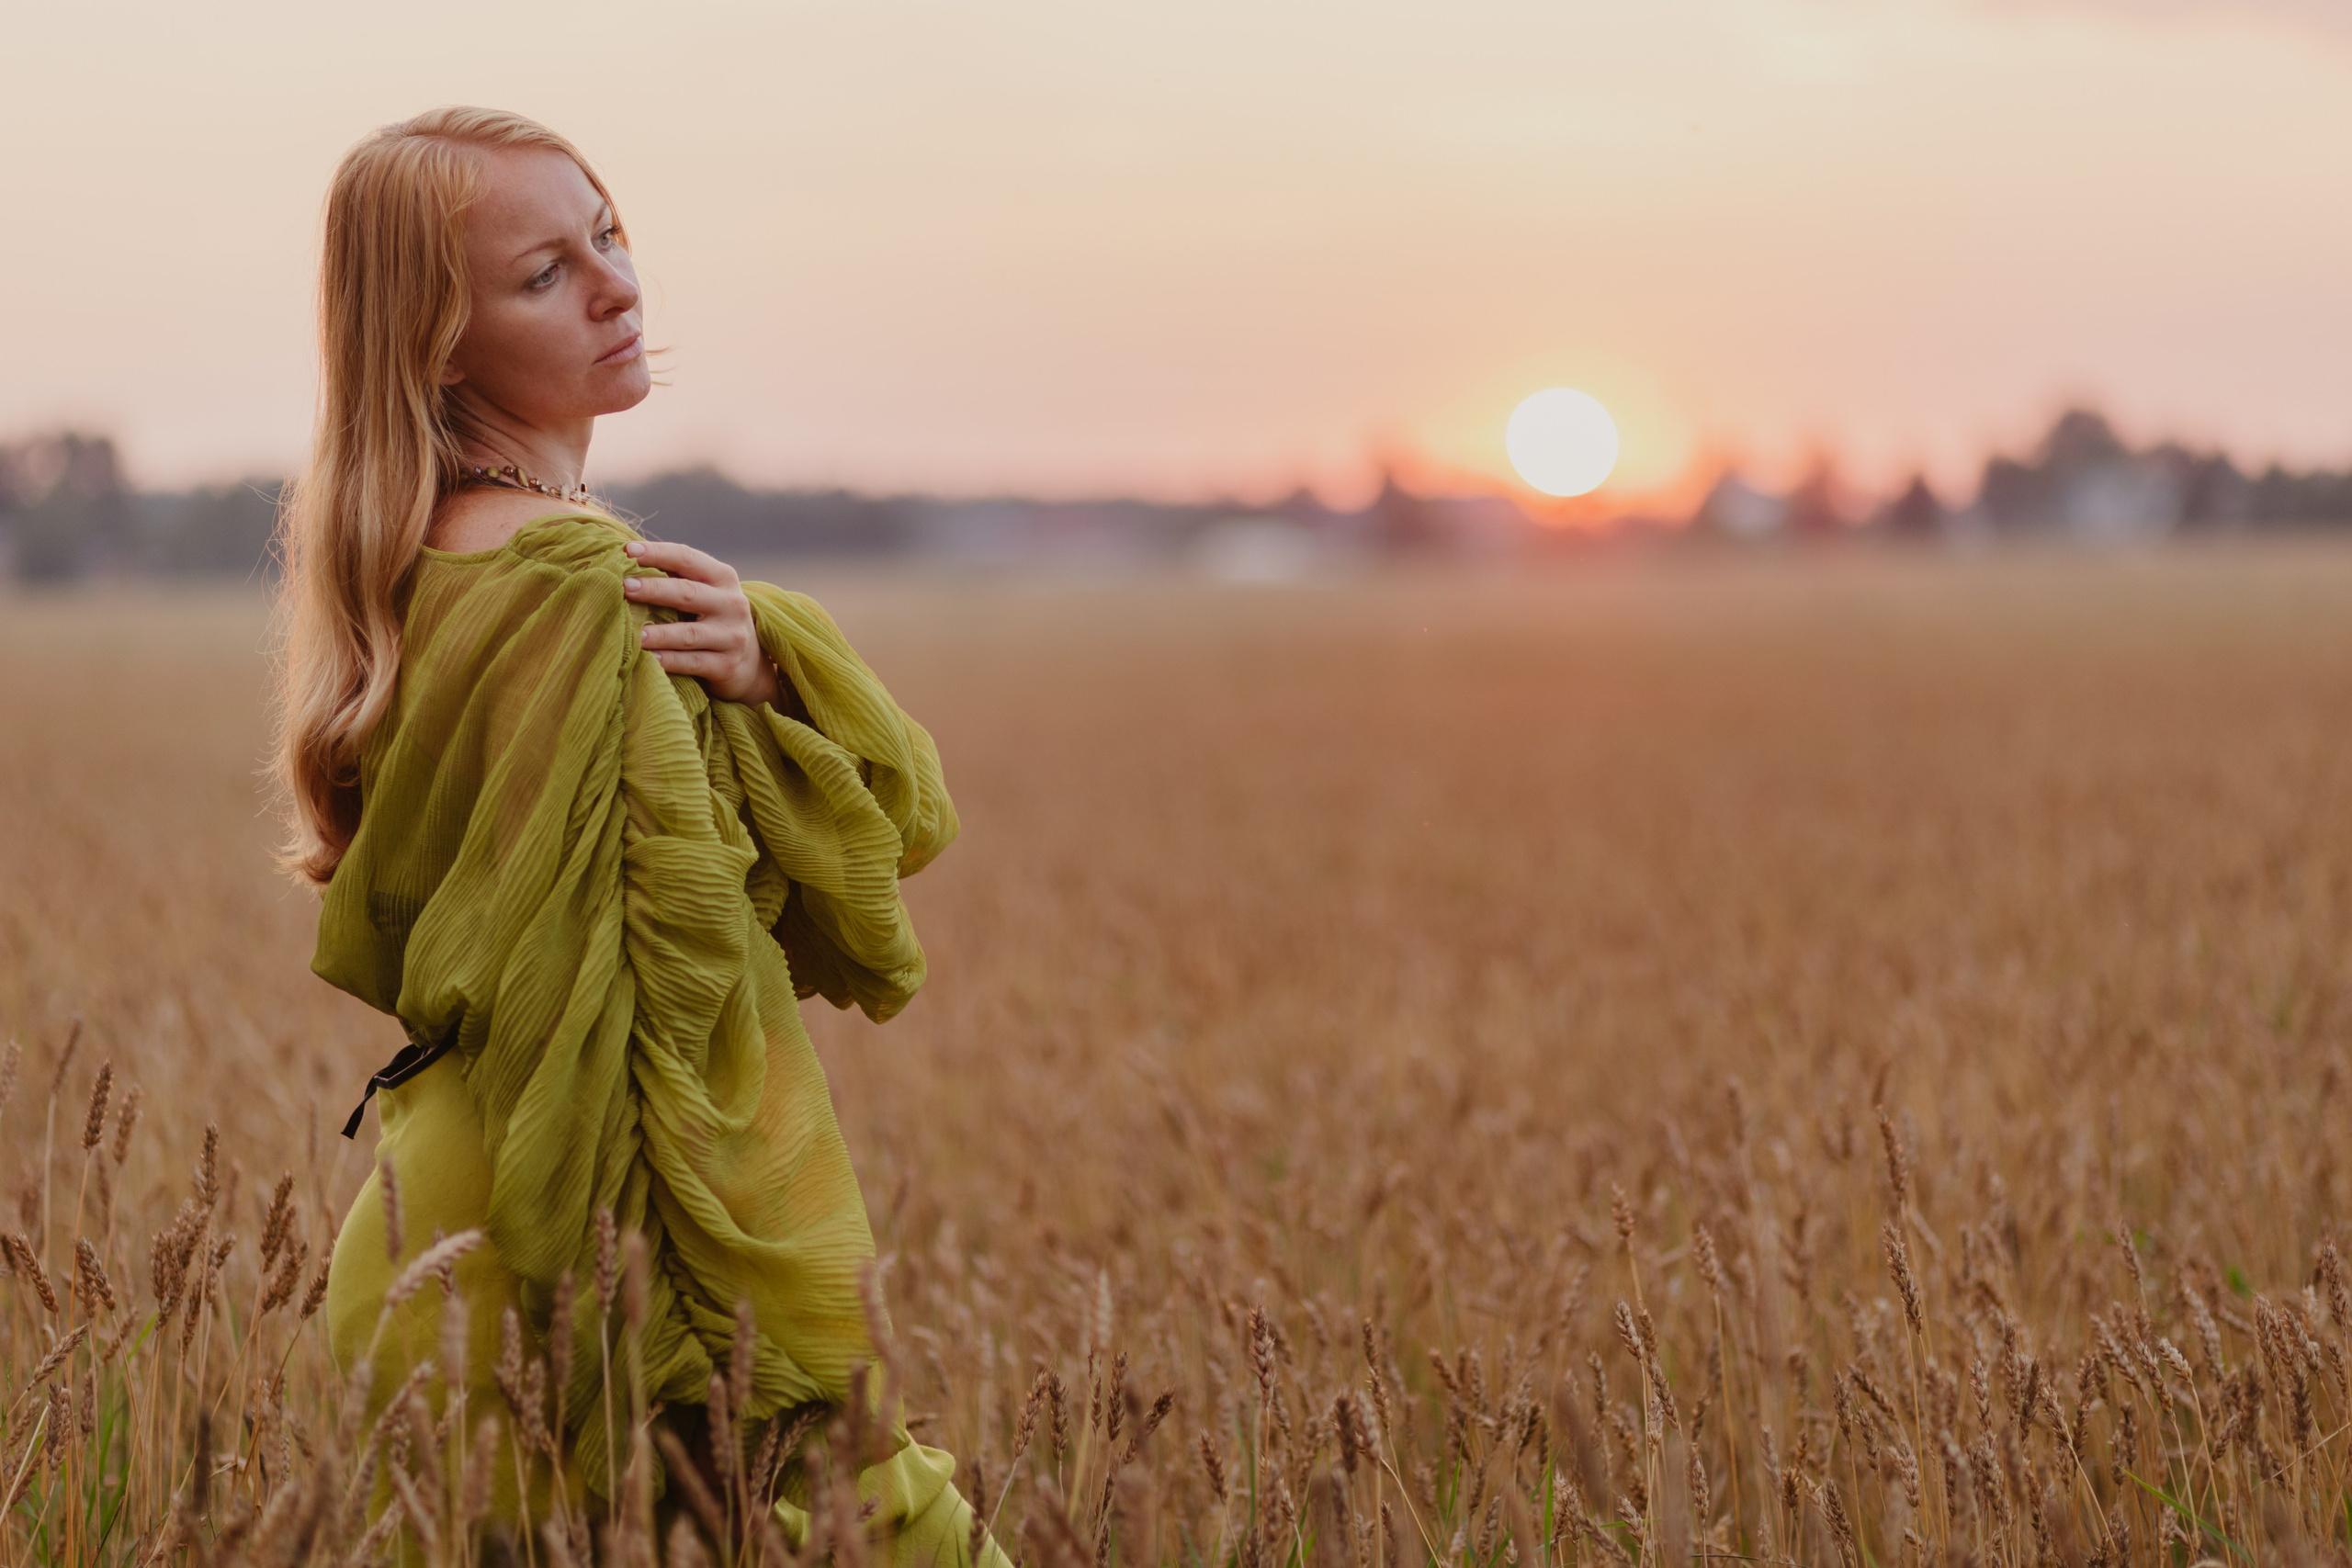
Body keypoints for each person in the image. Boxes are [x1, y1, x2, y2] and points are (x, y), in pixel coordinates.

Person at [274, 106, 999, 1563]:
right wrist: (671, 1349)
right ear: (438, 342)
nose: (616, 286)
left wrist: (772, 668)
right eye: (545, 273)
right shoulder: (571, 585)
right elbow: (627, 1016)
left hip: (452, 1224)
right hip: (578, 1246)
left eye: (608, 235)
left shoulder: (443, 558)